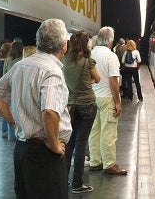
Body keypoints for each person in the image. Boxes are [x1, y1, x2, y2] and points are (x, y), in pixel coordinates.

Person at [0, 18, 72, 199]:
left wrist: (13, 122)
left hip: (22, 150)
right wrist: (54, 144)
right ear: (63, 45)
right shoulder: (52, 71)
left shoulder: (21, 65)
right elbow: (49, 112)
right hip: (44, 153)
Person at [62, 31, 100, 194]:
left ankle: (64, 181)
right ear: (85, 45)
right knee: (81, 144)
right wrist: (89, 80)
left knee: (69, 143)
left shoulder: (64, 61)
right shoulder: (88, 61)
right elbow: (97, 79)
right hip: (87, 105)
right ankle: (77, 184)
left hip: (70, 106)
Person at [88, 26, 127, 175]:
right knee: (108, 132)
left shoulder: (90, 53)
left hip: (92, 97)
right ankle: (110, 164)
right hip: (106, 98)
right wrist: (117, 102)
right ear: (110, 40)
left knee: (94, 130)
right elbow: (113, 82)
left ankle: (95, 161)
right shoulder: (111, 56)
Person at [1, 40, 24, 141]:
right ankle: (16, 133)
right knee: (17, 111)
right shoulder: (23, 60)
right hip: (20, 88)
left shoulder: (7, 60)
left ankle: (7, 132)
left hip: (9, 87)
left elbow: (4, 75)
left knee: (7, 110)